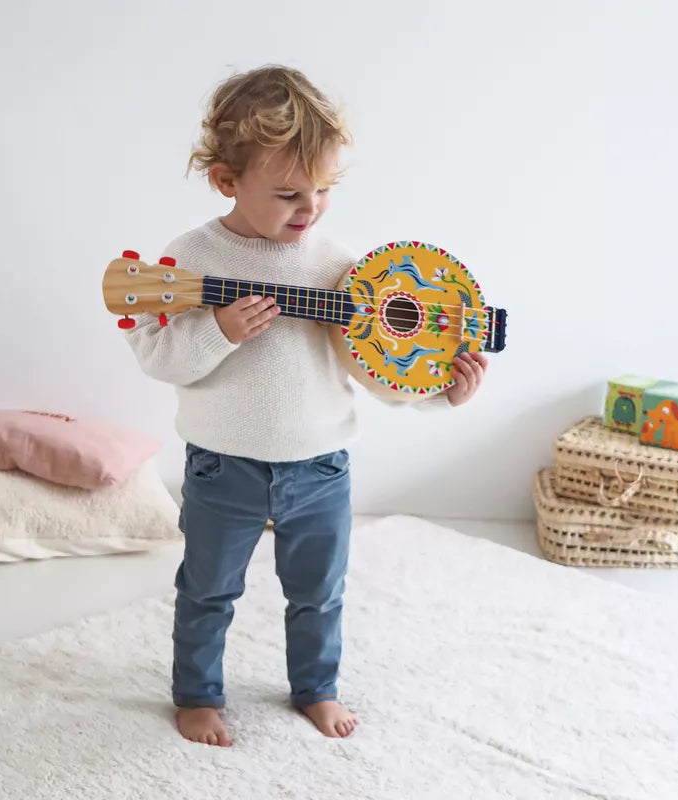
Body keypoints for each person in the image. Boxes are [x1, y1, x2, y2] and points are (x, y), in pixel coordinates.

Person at [124, 65, 488, 747]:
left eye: (325, 189)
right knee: (206, 591)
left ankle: (316, 688)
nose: (310, 207)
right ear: (227, 182)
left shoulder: (342, 267)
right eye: (289, 192)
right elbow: (155, 356)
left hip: (320, 469)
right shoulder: (189, 258)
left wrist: (440, 393)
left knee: (319, 595)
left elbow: (375, 368)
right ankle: (198, 695)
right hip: (221, 467)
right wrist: (218, 330)